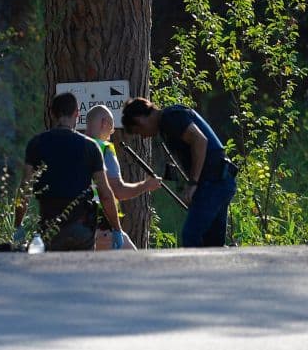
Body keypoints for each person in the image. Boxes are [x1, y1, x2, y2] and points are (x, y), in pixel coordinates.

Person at [122, 97, 237, 247]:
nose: (143, 136)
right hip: (222, 180)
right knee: (213, 244)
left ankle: (191, 271)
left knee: (191, 236)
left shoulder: (170, 117)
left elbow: (200, 141)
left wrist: (193, 183)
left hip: (213, 182)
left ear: (140, 119)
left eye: (139, 131)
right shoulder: (168, 122)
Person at [15, 92, 125, 251]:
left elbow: (24, 190)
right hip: (82, 229)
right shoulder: (90, 147)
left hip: (50, 228)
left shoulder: (36, 144)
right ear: (76, 114)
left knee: (53, 274)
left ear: (52, 114)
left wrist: (18, 225)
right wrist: (116, 229)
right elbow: (105, 194)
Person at [83, 104, 161, 250]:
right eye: (111, 127)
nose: (112, 132)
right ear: (104, 123)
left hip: (77, 226)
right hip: (103, 227)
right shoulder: (104, 149)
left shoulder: (76, 147)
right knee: (137, 264)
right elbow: (118, 191)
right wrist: (146, 185)